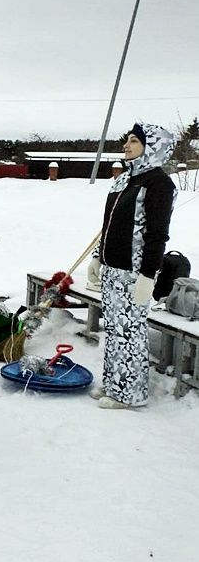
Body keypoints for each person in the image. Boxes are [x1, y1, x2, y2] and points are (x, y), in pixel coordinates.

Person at [87, 123, 176, 409]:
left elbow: (157, 234)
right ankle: (115, 384)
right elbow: (108, 224)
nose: (126, 145)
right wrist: (98, 256)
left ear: (152, 146)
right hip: (113, 268)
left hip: (135, 272)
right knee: (114, 330)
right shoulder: (123, 179)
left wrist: (149, 275)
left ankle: (130, 394)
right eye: (127, 140)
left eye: (135, 141)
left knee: (131, 333)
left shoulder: (159, 184)